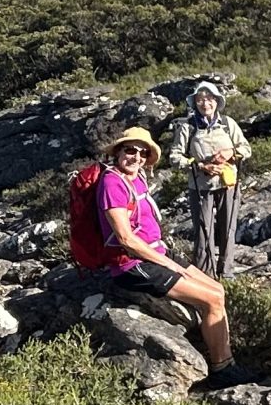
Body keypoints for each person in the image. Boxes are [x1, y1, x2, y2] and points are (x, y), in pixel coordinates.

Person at [93, 126, 248, 387]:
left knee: (218, 291)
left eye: (143, 153)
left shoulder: (136, 178)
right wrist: (169, 264)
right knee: (210, 300)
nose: (136, 157)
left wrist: (166, 257)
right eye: (130, 150)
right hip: (132, 264)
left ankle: (226, 360)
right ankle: (221, 369)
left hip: (156, 251)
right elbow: (126, 239)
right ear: (118, 152)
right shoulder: (112, 183)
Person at [172, 79, 251, 281]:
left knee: (228, 229)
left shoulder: (228, 124)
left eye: (209, 99)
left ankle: (226, 273)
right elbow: (175, 157)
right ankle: (205, 275)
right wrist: (200, 166)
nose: (205, 103)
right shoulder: (187, 127)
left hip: (228, 184)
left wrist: (230, 153)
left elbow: (246, 149)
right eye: (200, 99)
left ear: (216, 101)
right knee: (203, 230)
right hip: (200, 186)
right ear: (194, 103)